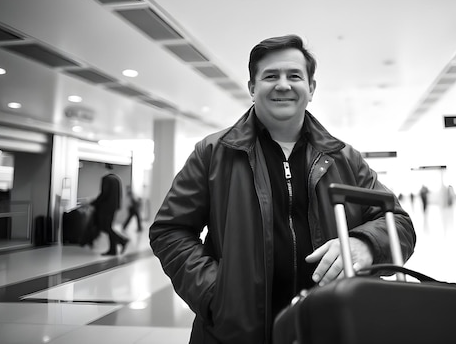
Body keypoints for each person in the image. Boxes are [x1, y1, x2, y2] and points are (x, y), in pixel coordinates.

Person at [149, 34, 416, 344]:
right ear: (252, 88)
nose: (283, 85)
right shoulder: (214, 154)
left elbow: (398, 222)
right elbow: (169, 230)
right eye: (270, 76)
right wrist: (215, 293)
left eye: (294, 76)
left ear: (311, 88)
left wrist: (365, 244)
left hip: (326, 327)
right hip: (235, 333)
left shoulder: (343, 158)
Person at [92, 163, 128, 256]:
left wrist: (94, 203)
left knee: (105, 227)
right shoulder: (117, 179)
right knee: (108, 227)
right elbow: (119, 195)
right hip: (113, 207)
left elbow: (104, 194)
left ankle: (122, 240)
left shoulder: (106, 179)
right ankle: (113, 250)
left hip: (105, 208)